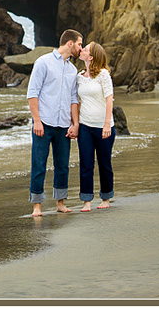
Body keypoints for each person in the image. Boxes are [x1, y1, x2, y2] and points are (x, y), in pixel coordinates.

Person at [27, 29, 83, 217]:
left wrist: (75, 124)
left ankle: (60, 203)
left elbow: (73, 99)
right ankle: (37, 206)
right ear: (70, 43)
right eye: (79, 44)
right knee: (39, 164)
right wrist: (37, 121)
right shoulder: (43, 62)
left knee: (62, 165)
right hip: (44, 123)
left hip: (64, 126)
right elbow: (32, 93)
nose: (80, 48)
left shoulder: (72, 69)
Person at [76, 41, 115, 211]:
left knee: (104, 163)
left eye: (85, 49)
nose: (81, 50)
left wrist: (107, 124)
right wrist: (75, 123)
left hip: (103, 126)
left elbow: (109, 99)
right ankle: (86, 201)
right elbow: (77, 102)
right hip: (85, 125)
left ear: (91, 57)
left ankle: (106, 198)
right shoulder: (79, 77)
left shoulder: (103, 75)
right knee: (86, 163)